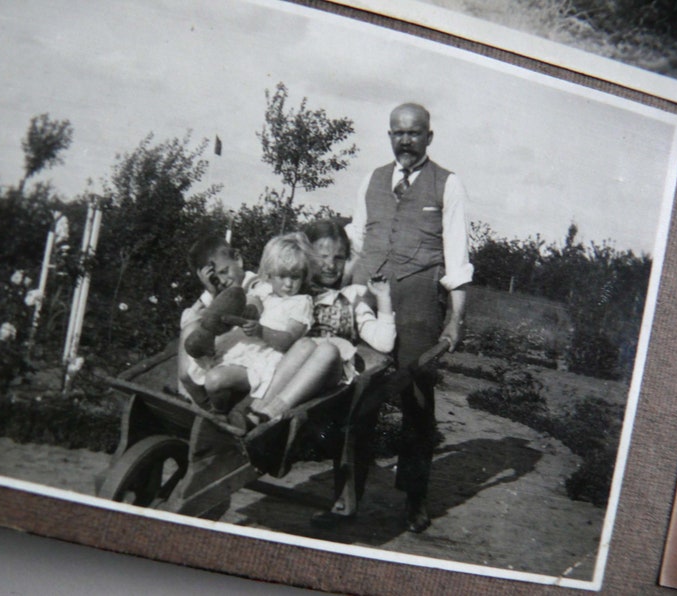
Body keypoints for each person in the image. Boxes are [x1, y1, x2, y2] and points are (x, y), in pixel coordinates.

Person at [344, 102, 474, 534]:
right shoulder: (373, 179)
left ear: (429, 137)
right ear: (389, 136)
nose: (405, 140)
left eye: (414, 133)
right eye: (397, 133)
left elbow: (457, 259)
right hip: (369, 297)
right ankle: (349, 495)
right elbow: (357, 243)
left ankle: (414, 499)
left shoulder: (448, 185)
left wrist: (455, 321)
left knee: (416, 402)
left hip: (419, 302)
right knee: (355, 394)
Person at [246, 219, 396, 428]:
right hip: (283, 367)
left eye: (339, 258)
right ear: (306, 255)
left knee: (326, 351)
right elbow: (255, 291)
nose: (330, 265)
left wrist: (383, 298)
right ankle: (254, 412)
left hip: (329, 373)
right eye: (322, 257)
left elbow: (385, 344)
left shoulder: (351, 297)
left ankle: (270, 412)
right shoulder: (291, 289)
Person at [202, 232, 316, 413]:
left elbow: (289, 340)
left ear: (304, 276)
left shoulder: (301, 303)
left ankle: (220, 414)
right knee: (199, 354)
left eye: (295, 277)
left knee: (214, 380)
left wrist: (261, 331)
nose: (288, 284)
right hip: (241, 348)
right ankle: (213, 408)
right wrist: (251, 308)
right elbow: (252, 303)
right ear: (270, 275)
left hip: (265, 361)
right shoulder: (263, 289)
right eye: (282, 276)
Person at [177, 235, 256, 410]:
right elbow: (190, 319)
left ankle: (201, 403)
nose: (223, 281)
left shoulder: (254, 284)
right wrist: (212, 292)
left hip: (245, 349)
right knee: (190, 327)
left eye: (224, 271)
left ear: (238, 259)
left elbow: (238, 312)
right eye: (215, 280)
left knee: (196, 327)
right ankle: (187, 396)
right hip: (220, 348)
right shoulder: (219, 290)